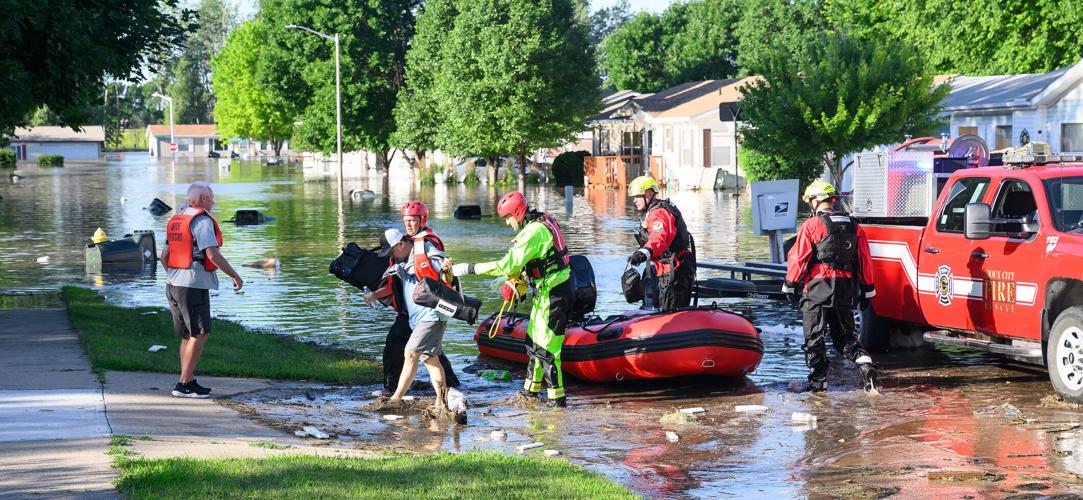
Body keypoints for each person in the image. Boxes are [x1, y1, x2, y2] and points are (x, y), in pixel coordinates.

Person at [452, 191, 574, 408]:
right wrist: (519, 282)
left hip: (554, 293)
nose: (508, 223)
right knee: (534, 344)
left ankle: (557, 403)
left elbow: (506, 265)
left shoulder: (533, 232)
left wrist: (467, 268)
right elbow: (538, 261)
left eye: (508, 218)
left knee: (547, 349)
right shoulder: (541, 222)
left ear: (517, 213)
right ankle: (530, 393)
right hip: (545, 291)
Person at [782, 180, 879, 394]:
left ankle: (818, 383)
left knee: (814, 337)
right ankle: (865, 365)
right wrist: (868, 288)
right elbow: (864, 260)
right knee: (845, 336)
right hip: (846, 288)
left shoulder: (812, 225)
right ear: (833, 201)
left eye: (810, 202)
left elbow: (799, 258)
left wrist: (790, 284)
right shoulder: (855, 226)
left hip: (818, 287)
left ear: (817, 201)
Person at [161, 182, 243, 398]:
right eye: (212, 197)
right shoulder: (202, 221)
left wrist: (172, 275)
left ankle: (187, 381)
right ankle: (183, 384)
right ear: (204, 199)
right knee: (201, 332)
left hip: (173, 284)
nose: (213, 201)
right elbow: (213, 255)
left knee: (188, 335)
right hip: (192, 285)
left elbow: (164, 257)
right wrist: (235, 275)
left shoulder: (176, 220)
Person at [375, 202, 459, 395]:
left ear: (422, 220)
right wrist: (376, 294)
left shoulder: (427, 244)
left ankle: (395, 395)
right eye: (406, 221)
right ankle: (445, 394)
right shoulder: (404, 246)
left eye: (412, 220)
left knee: (411, 352)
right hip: (412, 312)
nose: (409, 225)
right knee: (429, 357)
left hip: (429, 311)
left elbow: (442, 269)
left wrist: (447, 269)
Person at [626, 176, 695, 311]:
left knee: (671, 311)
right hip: (668, 268)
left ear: (649, 194)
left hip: (676, 269)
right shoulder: (653, 212)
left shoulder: (659, 214)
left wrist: (642, 253)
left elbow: (659, 239)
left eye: (637, 196)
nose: (634, 200)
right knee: (666, 308)